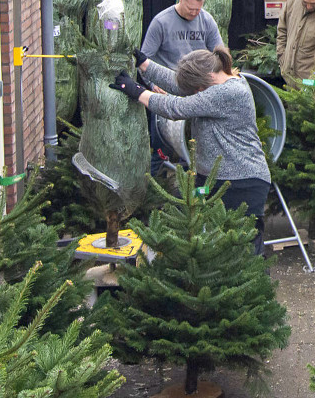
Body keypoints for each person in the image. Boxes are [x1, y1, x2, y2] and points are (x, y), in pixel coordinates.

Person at [113, 47, 270, 254]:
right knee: (189, 212)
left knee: (243, 247)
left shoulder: (229, 92)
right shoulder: (215, 81)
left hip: (241, 183)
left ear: (208, 76)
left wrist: (137, 92)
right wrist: (144, 64)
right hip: (212, 181)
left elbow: (176, 108)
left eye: (196, 88)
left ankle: (256, 284)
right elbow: (178, 84)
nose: (194, 92)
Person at [140, 0, 223, 172]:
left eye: (198, 9)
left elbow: (220, 54)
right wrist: (153, 85)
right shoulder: (161, 22)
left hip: (199, 92)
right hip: (168, 92)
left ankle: (194, 191)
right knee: (160, 150)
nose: (194, 13)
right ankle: (152, 192)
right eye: (191, 8)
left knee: (196, 147)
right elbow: (145, 60)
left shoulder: (207, 20)